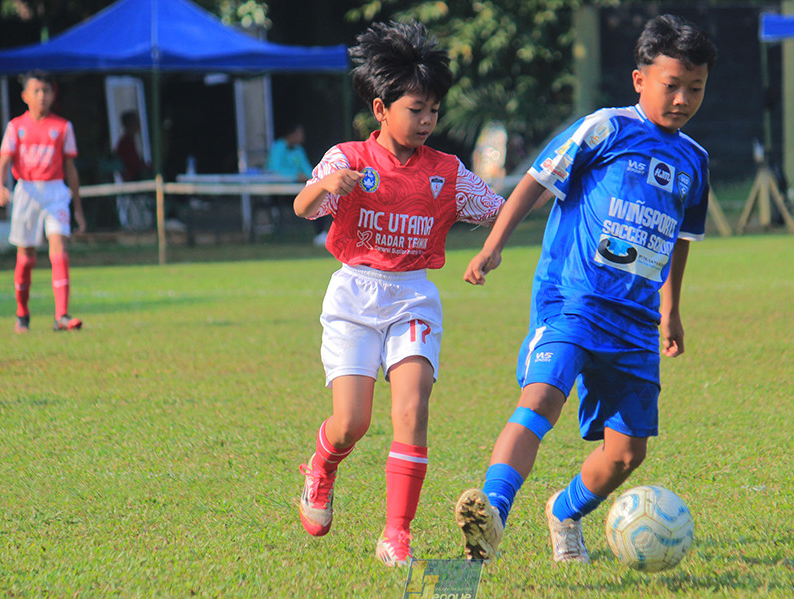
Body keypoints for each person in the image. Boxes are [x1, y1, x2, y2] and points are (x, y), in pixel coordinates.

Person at [454, 14, 716, 564]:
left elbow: (680, 238)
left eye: (695, 88)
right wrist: (493, 245)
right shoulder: (605, 128)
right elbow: (535, 182)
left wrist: (671, 310)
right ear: (640, 79)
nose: (682, 99)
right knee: (543, 396)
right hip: (572, 297)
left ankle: (565, 511)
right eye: (672, 85)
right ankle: (493, 514)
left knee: (625, 454)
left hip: (637, 319)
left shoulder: (695, 160)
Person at [293, 21, 504, 567]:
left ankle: (396, 535)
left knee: (412, 410)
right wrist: (324, 186)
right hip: (354, 297)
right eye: (417, 108)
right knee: (353, 423)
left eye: (434, 109)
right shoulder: (348, 159)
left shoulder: (449, 173)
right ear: (382, 109)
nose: (428, 119)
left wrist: (493, 246)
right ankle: (322, 465)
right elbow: (303, 208)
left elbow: (498, 212)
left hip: (412, 297)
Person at [0, 70, 85, 334]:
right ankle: (22, 314)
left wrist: (77, 207)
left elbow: (71, 169)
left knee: (59, 248)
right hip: (27, 192)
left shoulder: (63, 127)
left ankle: (62, 315)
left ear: (53, 94)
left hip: (56, 192)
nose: (42, 96)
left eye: (46, 91)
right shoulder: (15, 127)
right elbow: (2, 162)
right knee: (26, 256)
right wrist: (0, 187)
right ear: (25, 96)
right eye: (36, 91)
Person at [114, 110, 150, 182]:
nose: (138, 125)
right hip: (134, 179)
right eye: (135, 122)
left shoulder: (130, 141)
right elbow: (133, 165)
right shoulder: (125, 143)